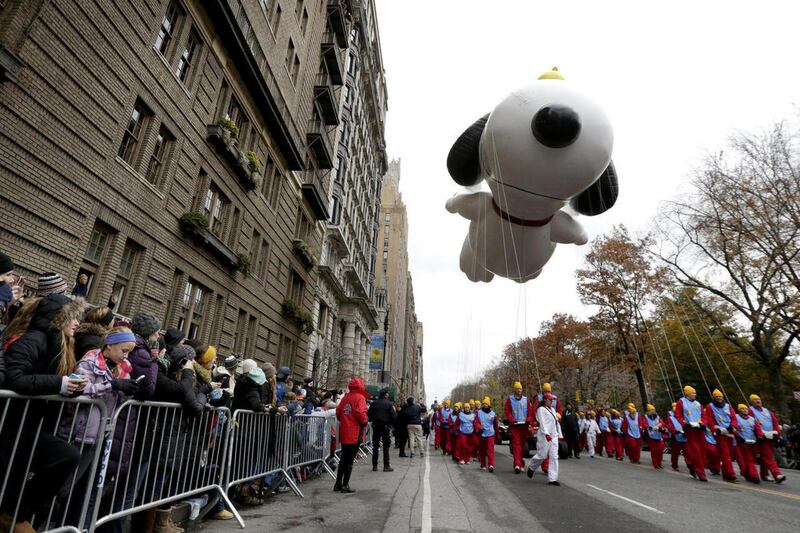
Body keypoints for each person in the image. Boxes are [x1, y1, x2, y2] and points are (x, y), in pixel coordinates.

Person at [1, 294, 86, 531]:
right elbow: (14, 378)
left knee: (66, 456)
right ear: (59, 319)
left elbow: (48, 380)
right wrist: (59, 384)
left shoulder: (55, 343)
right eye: (73, 317)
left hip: (27, 427)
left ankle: (14, 515)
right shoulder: (33, 340)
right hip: (11, 427)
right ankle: (12, 516)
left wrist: (70, 388)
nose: (77, 323)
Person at [334, 378, 368, 493]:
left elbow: (338, 411)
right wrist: (364, 422)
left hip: (344, 431)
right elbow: (360, 412)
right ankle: (345, 485)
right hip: (355, 432)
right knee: (349, 460)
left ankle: (338, 483)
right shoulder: (360, 398)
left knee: (343, 459)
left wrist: (343, 419)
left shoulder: (345, 397)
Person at [526, 393, 562, 486]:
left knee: (554, 456)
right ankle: (532, 467)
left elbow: (556, 423)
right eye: (550, 400)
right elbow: (542, 423)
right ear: (545, 400)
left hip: (553, 436)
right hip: (544, 435)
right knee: (542, 455)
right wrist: (546, 434)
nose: (552, 402)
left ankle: (552, 479)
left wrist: (559, 434)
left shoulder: (553, 410)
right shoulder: (541, 409)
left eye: (553, 400)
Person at [749, 394, 786, 483]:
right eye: (755, 400)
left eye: (758, 399)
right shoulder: (751, 411)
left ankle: (764, 474)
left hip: (771, 436)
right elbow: (752, 423)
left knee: (764, 456)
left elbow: (774, 421)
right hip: (761, 437)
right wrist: (761, 434)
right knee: (768, 456)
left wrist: (777, 432)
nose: (758, 401)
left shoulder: (766, 411)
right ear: (752, 402)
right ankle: (777, 474)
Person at [704, 389, 738, 482]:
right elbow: (709, 420)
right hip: (720, 432)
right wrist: (715, 430)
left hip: (730, 432)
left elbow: (734, 418)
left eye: (720, 396)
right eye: (717, 397)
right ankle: (731, 474)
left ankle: (726, 474)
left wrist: (733, 426)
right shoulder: (710, 407)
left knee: (729, 455)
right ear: (714, 398)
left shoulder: (728, 406)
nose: (719, 398)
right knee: (725, 454)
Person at [675, 385, 707, 481]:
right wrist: (685, 424)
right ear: (688, 394)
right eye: (693, 393)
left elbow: (704, 415)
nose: (695, 394)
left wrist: (703, 423)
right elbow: (678, 415)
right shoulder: (681, 402)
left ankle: (692, 466)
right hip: (690, 429)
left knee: (701, 451)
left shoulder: (698, 404)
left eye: (695, 393)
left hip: (699, 429)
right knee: (696, 451)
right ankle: (701, 474)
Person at [504, 381, 535, 473]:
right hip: (515, 426)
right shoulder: (510, 399)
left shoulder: (526, 399)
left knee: (522, 445)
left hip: (524, 426)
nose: (519, 391)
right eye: (517, 389)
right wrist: (512, 420)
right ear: (514, 390)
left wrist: (529, 420)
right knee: (516, 445)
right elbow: (507, 411)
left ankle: (520, 462)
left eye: (520, 389)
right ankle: (517, 464)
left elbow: (530, 412)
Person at [368, 387, 396, 472]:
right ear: (386, 394)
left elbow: (369, 414)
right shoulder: (389, 404)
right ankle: (386, 466)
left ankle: (375, 465)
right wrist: (391, 424)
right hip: (385, 427)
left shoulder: (374, 403)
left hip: (376, 426)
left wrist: (373, 420)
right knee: (386, 447)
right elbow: (394, 416)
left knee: (375, 446)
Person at [734, 403, 761, 483]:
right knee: (749, 459)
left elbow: (757, 429)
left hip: (752, 442)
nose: (745, 410)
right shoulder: (736, 417)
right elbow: (734, 428)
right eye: (742, 409)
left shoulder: (752, 419)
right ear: (739, 410)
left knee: (751, 459)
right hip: (742, 442)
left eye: (746, 408)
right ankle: (754, 475)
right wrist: (738, 436)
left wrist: (760, 437)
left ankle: (747, 473)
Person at [476, 397, 498, 471]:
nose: (485, 405)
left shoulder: (493, 414)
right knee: (482, 450)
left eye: (486, 404)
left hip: (491, 433)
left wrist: (497, 435)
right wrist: (479, 427)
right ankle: (483, 464)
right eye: (484, 404)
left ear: (489, 405)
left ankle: (491, 465)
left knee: (490, 449)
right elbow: (476, 422)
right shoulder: (479, 412)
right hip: (482, 433)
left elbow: (495, 424)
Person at [642, 404, 666, 469]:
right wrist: (650, 427)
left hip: (658, 435)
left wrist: (659, 426)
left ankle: (659, 463)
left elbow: (662, 423)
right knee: (654, 450)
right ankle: (655, 463)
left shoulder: (658, 417)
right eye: (651, 410)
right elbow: (644, 424)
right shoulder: (645, 417)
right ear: (648, 411)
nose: (653, 411)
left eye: (653, 410)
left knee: (660, 449)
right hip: (651, 435)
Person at [666, 403, 687, 472]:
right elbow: (670, 427)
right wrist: (675, 431)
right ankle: (674, 465)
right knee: (675, 452)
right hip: (675, 436)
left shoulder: (684, 417)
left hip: (685, 436)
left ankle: (690, 465)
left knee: (687, 452)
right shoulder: (670, 417)